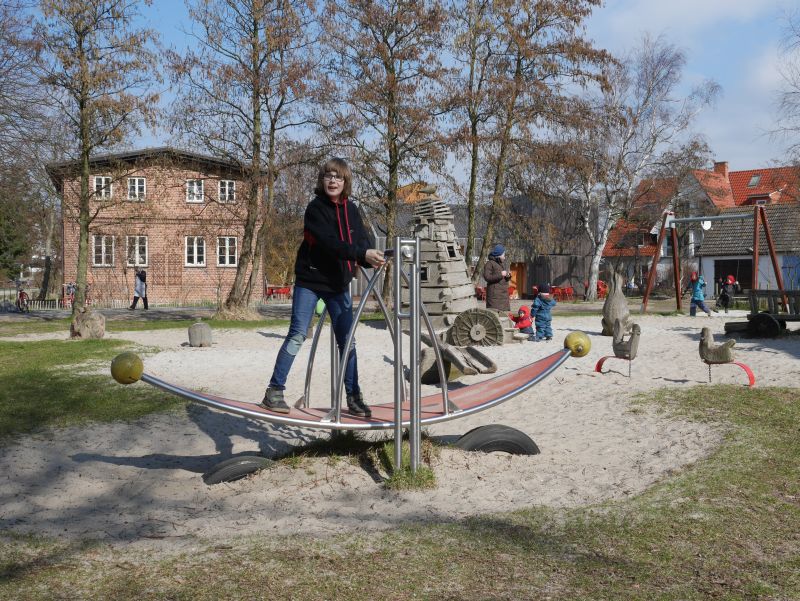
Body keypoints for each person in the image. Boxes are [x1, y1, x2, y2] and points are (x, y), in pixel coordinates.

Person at [261, 158, 385, 416]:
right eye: (328, 176)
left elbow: (360, 240)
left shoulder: (352, 210)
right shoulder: (315, 209)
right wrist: (362, 253)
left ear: (345, 182)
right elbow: (331, 244)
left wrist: (373, 257)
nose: (333, 181)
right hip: (311, 282)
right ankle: (274, 391)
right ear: (322, 180)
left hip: (338, 285)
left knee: (348, 341)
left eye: (338, 177)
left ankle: (353, 396)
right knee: (297, 334)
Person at [483, 244, 511, 311]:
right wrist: (501, 274)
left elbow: (501, 278)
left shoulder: (500, 264)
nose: (504, 257)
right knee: (495, 317)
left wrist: (508, 276)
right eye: (503, 255)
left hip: (502, 297)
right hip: (495, 298)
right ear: (499, 254)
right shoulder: (489, 263)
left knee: (503, 317)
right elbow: (487, 277)